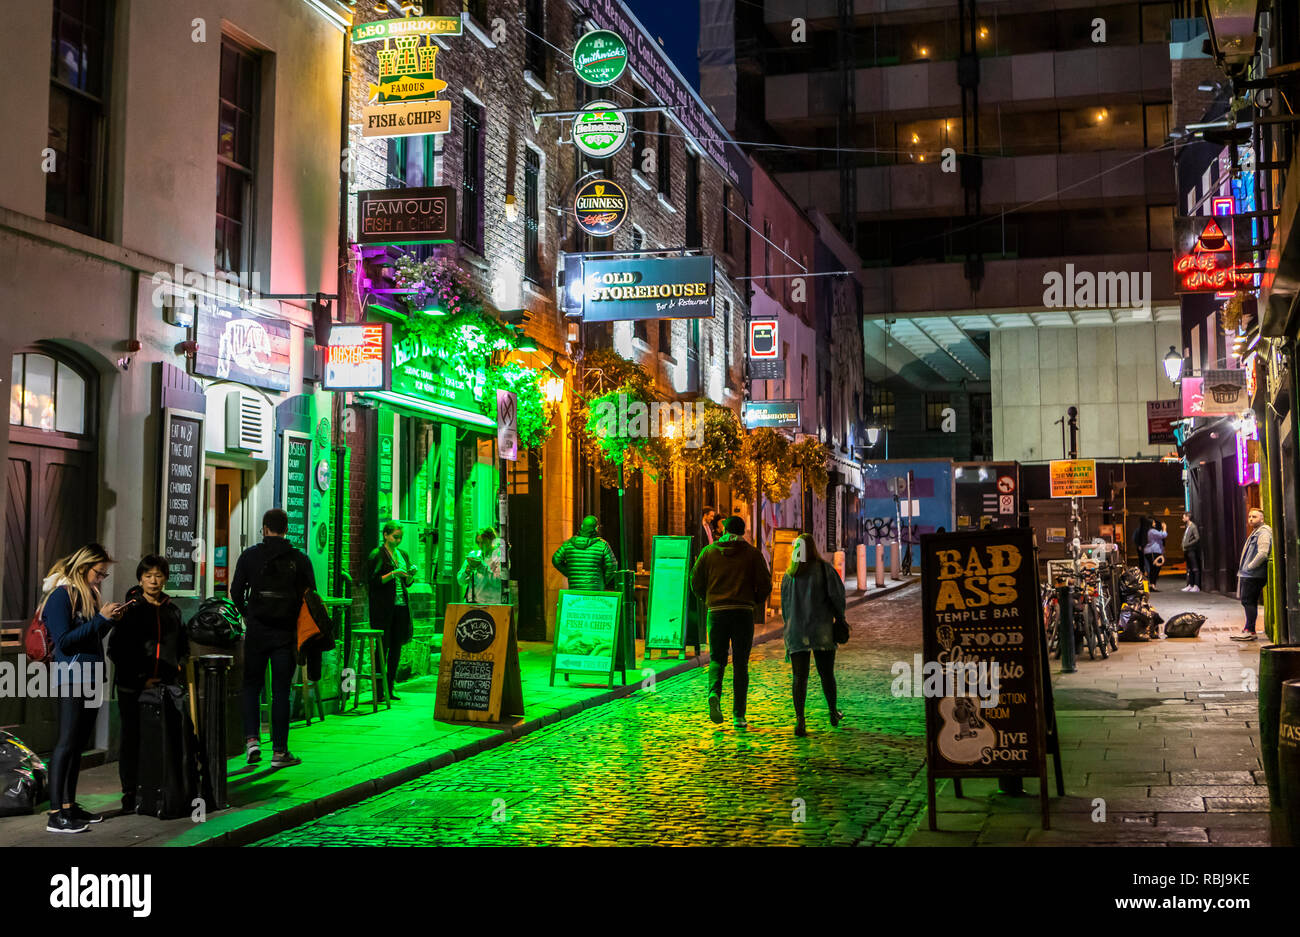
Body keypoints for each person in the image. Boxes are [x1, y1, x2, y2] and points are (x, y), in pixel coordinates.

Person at [39, 544, 128, 833]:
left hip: (91, 674)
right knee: (66, 742)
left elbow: (91, 639)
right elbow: (64, 641)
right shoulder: (60, 597)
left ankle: (69, 805)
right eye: (98, 573)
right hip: (71, 675)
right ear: (82, 567)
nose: (101, 578)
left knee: (78, 744)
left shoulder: (89, 595)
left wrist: (109, 621)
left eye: (104, 574)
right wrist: (101, 618)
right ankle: (55, 814)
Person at [231, 508, 316, 768]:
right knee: (281, 691)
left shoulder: (250, 556)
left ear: (265, 528)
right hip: (285, 633)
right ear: (286, 529)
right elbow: (311, 598)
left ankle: (252, 741)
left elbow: (235, 591)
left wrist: (249, 615)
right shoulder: (300, 560)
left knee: (251, 686)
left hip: (257, 632)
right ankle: (279, 752)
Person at [107, 555, 188, 813]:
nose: (154, 581)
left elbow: (182, 647)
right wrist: (141, 679)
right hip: (133, 688)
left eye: (159, 575)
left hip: (164, 687)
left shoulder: (172, 611)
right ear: (140, 579)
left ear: (165, 578)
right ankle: (130, 793)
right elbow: (117, 650)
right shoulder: (130, 610)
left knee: (163, 738)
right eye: (148, 576)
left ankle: (158, 789)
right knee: (132, 739)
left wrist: (177, 669)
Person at [690, 515, 772, 730]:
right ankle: (739, 715)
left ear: (724, 530)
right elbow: (765, 584)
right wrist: (754, 602)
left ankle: (714, 693)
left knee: (717, 658)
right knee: (741, 663)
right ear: (743, 532)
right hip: (743, 612)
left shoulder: (709, 553)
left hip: (716, 611)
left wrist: (707, 599)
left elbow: (695, 581)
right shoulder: (752, 554)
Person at [780, 534, 846, 737]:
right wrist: (840, 618)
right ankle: (832, 711)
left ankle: (800, 720)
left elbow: (784, 608)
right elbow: (837, 596)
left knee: (799, 678)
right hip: (822, 632)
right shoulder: (824, 570)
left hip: (796, 633)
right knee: (826, 675)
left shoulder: (788, 575)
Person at [366, 521, 417, 701]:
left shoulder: (402, 554)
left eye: (400, 537)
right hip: (383, 608)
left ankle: (390, 685)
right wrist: (394, 574)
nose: (398, 540)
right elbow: (373, 582)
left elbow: (407, 583)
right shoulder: (378, 554)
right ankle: (379, 690)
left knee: (396, 646)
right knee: (383, 647)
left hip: (400, 606)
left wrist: (410, 575)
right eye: (395, 537)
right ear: (386, 535)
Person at [1233, 507, 1272, 641]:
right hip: (1250, 574)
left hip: (1253, 575)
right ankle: (1249, 628)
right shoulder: (1256, 531)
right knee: (1248, 601)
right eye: (1249, 516)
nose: (1251, 519)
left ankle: (1250, 630)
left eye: (1254, 517)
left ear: (1262, 518)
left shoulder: (1264, 533)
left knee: (1248, 601)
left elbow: (1263, 553)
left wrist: (1250, 567)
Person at [552, 516, 618, 591]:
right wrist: (602, 581)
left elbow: (556, 560)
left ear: (582, 526)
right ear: (596, 528)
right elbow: (612, 565)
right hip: (595, 589)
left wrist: (570, 574)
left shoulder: (568, 544)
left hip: (575, 589)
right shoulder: (602, 545)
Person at [457, 527, 506, 605]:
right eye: (478, 542)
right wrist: (466, 572)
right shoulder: (474, 555)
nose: (480, 545)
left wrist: (481, 566)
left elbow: (498, 581)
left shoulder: (499, 556)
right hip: (472, 603)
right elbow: (460, 581)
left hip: (490, 604)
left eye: (483, 542)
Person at [1143, 518, 1167, 590]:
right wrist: (1164, 528)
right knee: (1155, 568)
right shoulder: (1152, 531)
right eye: (1153, 522)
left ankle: (1152, 584)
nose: (1155, 523)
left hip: (1151, 551)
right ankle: (1152, 584)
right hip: (1153, 551)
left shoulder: (1150, 531)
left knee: (1153, 568)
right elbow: (1163, 535)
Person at [1181, 512, 1202, 593]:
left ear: (1188, 517)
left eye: (1183, 517)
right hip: (1186, 550)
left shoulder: (1193, 527)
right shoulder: (1187, 526)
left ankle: (1196, 586)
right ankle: (1190, 585)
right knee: (1189, 568)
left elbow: (1197, 538)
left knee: (1195, 567)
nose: (1182, 518)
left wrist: (1188, 544)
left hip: (1191, 550)